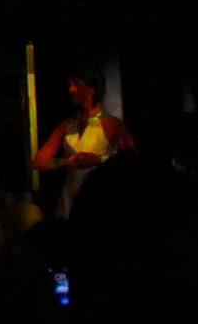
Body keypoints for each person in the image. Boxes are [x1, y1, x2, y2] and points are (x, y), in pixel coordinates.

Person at [31, 70, 136, 219]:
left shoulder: (113, 124)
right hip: (68, 204)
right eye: (70, 85)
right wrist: (66, 162)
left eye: (76, 84)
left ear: (92, 88)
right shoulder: (67, 126)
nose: (71, 89)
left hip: (100, 204)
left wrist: (99, 160)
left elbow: (133, 160)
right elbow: (38, 162)